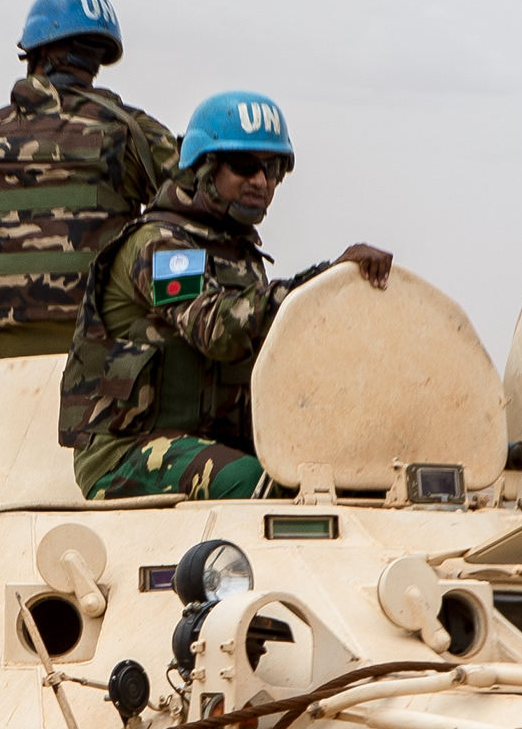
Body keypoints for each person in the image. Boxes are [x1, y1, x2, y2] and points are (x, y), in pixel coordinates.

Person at [58, 90, 392, 499]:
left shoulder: (238, 254)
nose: (261, 182)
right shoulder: (161, 246)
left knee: (349, 478)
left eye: (273, 170)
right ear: (204, 168)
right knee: (249, 482)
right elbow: (216, 329)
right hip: (126, 451)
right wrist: (319, 283)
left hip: (209, 442)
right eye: (244, 166)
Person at [0, 0, 179, 395]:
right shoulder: (133, 131)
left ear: (35, 53)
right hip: (102, 340)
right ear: (97, 59)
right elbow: (191, 219)